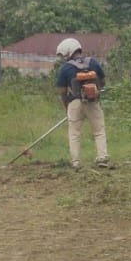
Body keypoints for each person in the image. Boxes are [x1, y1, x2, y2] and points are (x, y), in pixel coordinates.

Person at [54, 37, 110, 170]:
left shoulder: (65, 68)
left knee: (74, 133)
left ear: (68, 52)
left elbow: (62, 91)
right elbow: (103, 82)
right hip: (93, 102)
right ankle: (102, 157)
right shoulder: (94, 63)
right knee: (99, 130)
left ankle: (76, 162)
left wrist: (66, 106)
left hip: (74, 103)